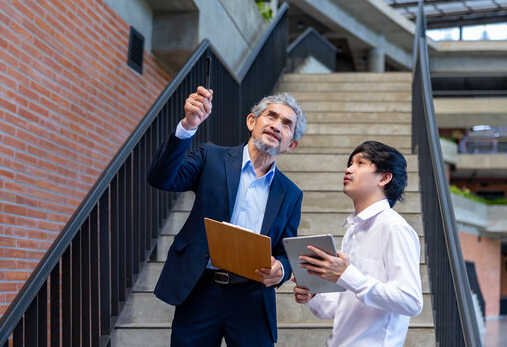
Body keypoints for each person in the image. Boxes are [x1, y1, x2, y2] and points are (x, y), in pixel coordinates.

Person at [148, 86, 306, 346]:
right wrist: (188, 125)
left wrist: (280, 270)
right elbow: (161, 177)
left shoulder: (291, 194)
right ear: (252, 121)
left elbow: (285, 251)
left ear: (291, 144)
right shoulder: (211, 156)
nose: (277, 125)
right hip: (200, 288)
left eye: (287, 124)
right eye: (271, 116)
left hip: (252, 298)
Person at [293, 141, 423, 347]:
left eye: (360, 163)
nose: (348, 169)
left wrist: (346, 274)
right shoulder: (354, 229)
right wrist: (314, 295)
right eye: (350, 163)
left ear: (384, 177)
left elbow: (410, 301)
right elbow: (343, 307)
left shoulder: (394, 227)